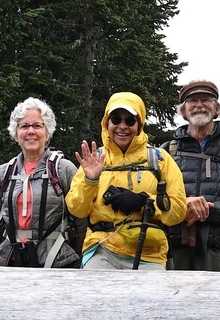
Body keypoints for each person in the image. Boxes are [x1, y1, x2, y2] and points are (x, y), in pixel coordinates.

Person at [63, 92, 188, 270]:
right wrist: (90, 180)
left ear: (139, 125)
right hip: (102, 249)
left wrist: (145, 202)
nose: (122, 126)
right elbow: (76, 209)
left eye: (130, 121)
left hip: (149, 253)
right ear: (107, 123)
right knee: (94, 296)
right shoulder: (94, 159)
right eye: (116, 119)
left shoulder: (161, 160)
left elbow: (178, 210)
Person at [163, 79, 220, 272]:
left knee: (217, 300)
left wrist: (209, 209)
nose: (199, 105)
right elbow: (155, 198)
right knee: (170, 301)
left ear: (216, 109)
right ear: (184, 111)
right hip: (172, 244)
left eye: (206, 99)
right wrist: (182, 205)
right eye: (192, 100)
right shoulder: (167, 150)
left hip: (219, 246)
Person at [0, 98, 84, 268]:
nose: (30, 131)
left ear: (48, 132)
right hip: (12, 261)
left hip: (57, 263)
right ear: (16, 134)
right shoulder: (3, 173)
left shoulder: (64, 170)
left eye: (37, 126)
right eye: (24, 126)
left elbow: (81, 218)